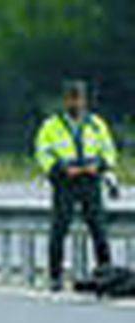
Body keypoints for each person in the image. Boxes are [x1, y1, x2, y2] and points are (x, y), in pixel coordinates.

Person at [36, 80, 118, 291]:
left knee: (99, 229)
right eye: (71, 98)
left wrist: (100, 166)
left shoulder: (96, 124)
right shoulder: (51, 126)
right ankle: (55, 276)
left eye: (79, 98)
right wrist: (59, 170)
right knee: (59, 229)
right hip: (65, 182)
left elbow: (109, 150)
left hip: (90, 181)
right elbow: (42, 153)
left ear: (85, 100)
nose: (76, 103)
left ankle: (106, 274)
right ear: (65, 101)